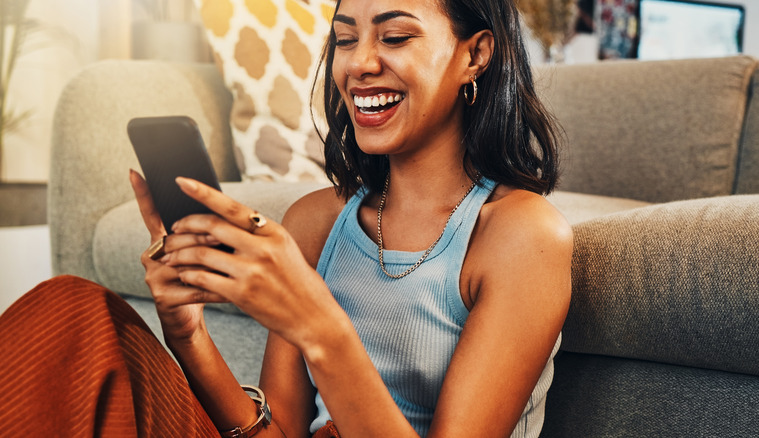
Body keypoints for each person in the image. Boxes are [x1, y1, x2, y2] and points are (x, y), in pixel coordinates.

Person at [0, 0, 571, 436]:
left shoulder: (520, 236)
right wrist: (188, 335)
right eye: (344, 39)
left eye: (395, 37)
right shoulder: (318, 221)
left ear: (475, 54)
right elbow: (274, 431)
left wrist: (318, 324)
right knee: (75, 310)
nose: (359, 63)